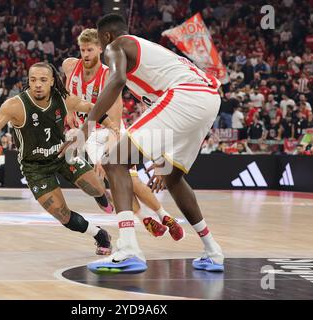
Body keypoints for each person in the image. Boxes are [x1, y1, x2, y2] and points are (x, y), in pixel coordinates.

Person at [60, 14, 224, 273]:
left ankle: (128, 250)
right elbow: (168, 116)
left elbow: (115, 82)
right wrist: (162, 158)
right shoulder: (149, 57)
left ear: (106, 38)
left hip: (186, 95)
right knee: (172, 177)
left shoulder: (118, 46)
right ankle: (213, 252)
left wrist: (84, 129)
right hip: (208, 99)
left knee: (113, 161)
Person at [0, 62, 116, 255]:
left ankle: (101, 195)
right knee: (62, 215)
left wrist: (112, 124)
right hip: (34, 167)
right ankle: (100, 235)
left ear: (52, 81)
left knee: (97, 187)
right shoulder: (15, 105)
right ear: (28, 81)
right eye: (33, 80)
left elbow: (91, 108)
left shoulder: (63, 99)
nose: (37, 84)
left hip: (62, 154)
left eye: (43, 80)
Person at [62, 28, 183, 239]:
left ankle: (164, 216)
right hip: (89, 133)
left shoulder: (109, 74)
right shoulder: (70, 65)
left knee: (131, 180)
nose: (86, 54)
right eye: (82, 50)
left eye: (90, 50)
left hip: (111, 129)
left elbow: (115, 114)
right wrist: (70, 110)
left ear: (100, 49)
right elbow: (67, 91)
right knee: (119, 181)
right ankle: (145, 218)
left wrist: (110, 145)